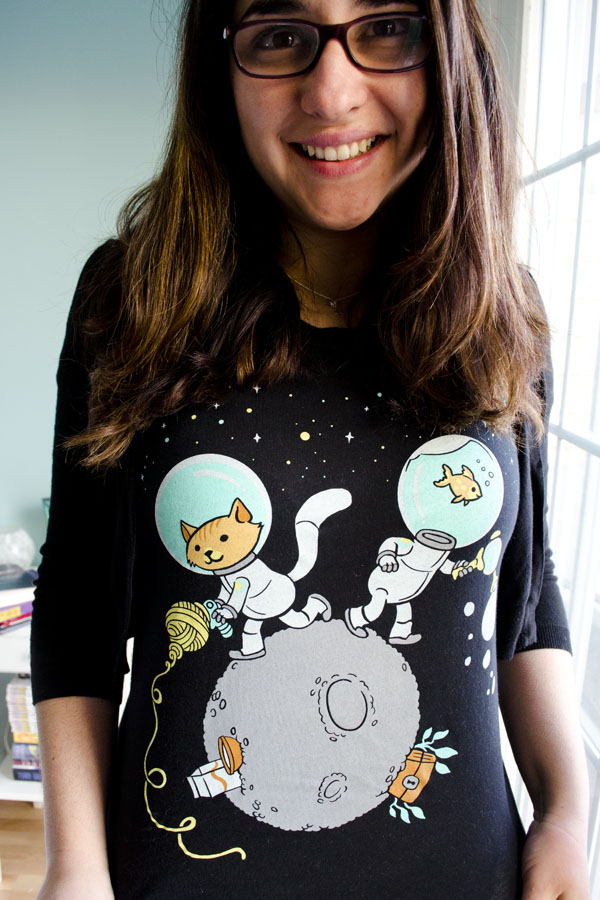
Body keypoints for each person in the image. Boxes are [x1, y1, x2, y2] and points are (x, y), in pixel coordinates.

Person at [31, 1, 591, 898]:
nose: (331, 92)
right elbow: (76, 613)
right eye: (281, 35)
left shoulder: (504, 313)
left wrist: (566, 812)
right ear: (222, 67)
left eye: (388, 28)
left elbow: (527, 599)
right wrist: (75, 865)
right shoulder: (129, 302)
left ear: (449, 52)